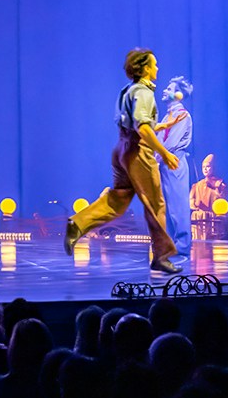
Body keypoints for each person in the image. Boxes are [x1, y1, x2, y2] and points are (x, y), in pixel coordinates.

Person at [64, 48, 181, 274]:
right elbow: (143, 127)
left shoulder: (128, 90)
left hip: (122, 149)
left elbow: (133, 122)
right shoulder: (144, 93)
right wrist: (164, 153)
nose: (157, 68)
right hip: (139, 151)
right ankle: (161, 257)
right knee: (156, 204)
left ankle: (77, 224)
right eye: (154, 64)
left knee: (118, 200)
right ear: (145, 68)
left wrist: (163, 125)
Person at [156, 76, 194, 259]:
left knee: (178, 205)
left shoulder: (182, 115)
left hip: (173, 161)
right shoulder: (167, 116)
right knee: (167, 205)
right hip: (164, 162)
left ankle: (182, 246)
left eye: (169, 88)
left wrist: (155, 158)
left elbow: (170, 143)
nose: (164, 90)